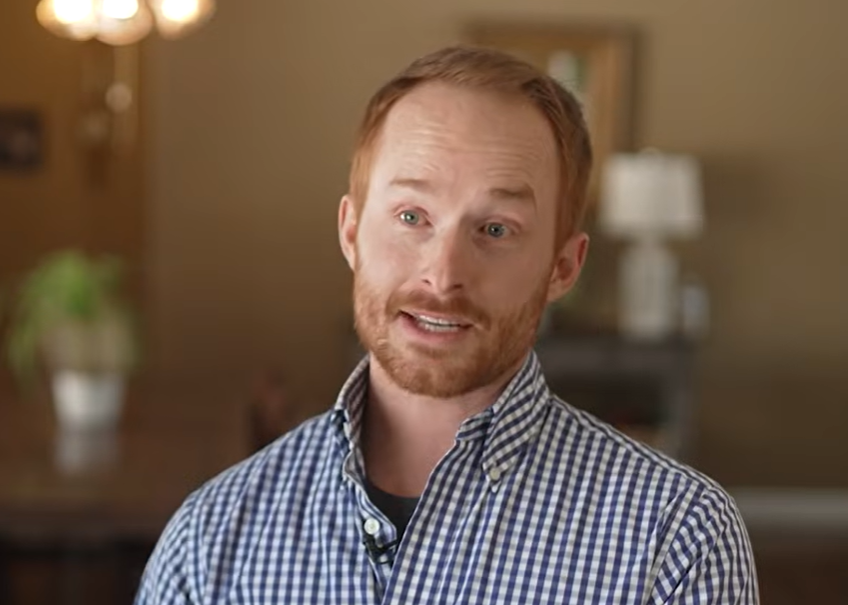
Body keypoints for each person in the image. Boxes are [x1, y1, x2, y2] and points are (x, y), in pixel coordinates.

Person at [136, 46, 759, 604]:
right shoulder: (210, 541)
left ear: (562, 266)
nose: (442, 275)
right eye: (411, 216)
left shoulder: (678, 541)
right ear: (351, 232)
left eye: (495, 230)